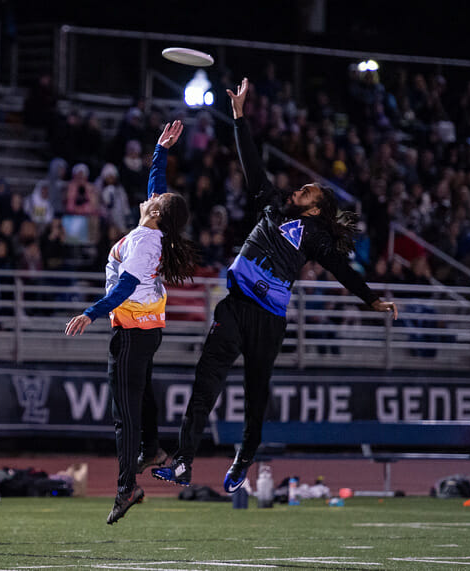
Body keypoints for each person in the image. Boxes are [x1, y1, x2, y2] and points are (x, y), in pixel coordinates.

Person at [152, 78, 398, 493]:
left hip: (268, 319)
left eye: (308, 191)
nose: (299, 189)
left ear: (317, 208)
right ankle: (183, 462)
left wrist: (370, 298)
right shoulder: (271, 205)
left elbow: (342, 269)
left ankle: (244, 458)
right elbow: (251, 163)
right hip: (234, 306)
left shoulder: (317, 234)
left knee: (255, 394)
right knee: (204, 383)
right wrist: (239, 117)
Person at [64, 120, 195, 525]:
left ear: (155, 212)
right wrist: (161, 149)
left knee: (125, 415)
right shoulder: (154, 230)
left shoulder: (143, 242)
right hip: (150, 329)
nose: (152, 196)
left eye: (157, 199)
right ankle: (153, 449)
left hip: (133, 331)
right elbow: (156, 183)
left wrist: (90, 312)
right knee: (142, 396)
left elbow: (122, 290)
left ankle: (127, 487)